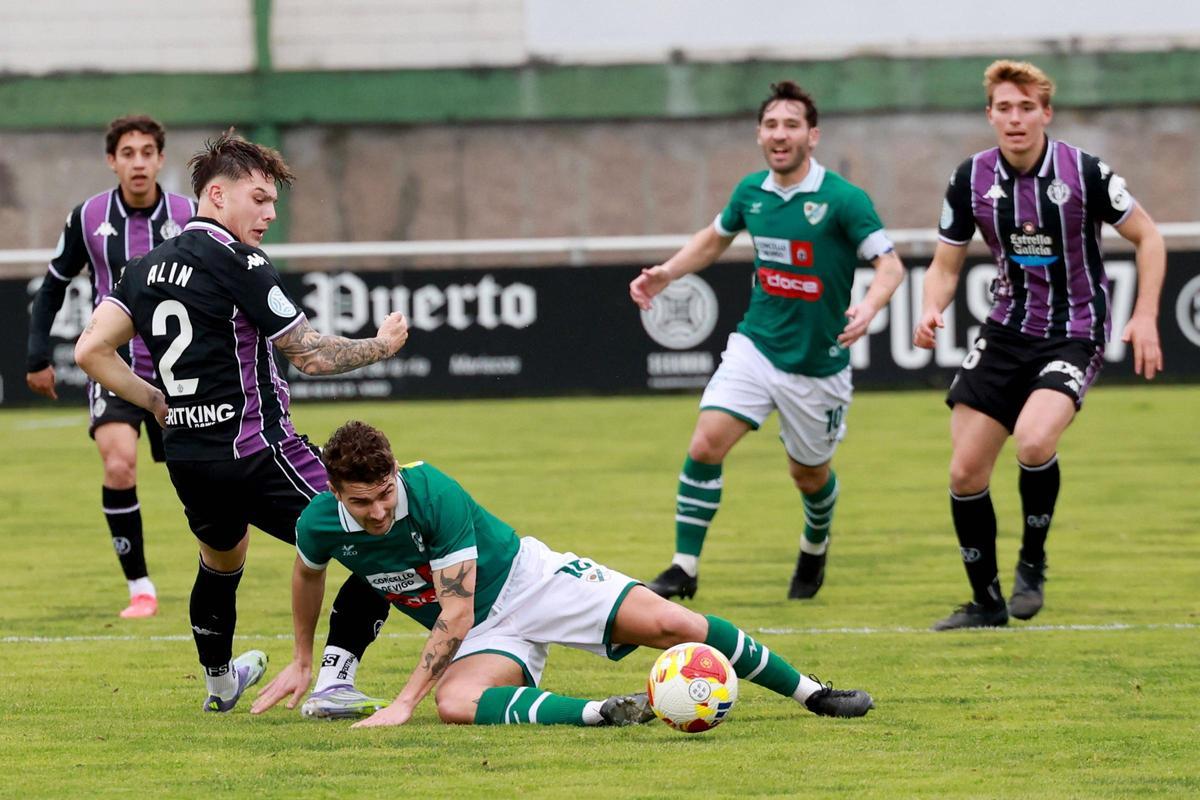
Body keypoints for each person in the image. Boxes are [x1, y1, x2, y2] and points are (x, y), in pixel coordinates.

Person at [74, 131, 410, 714]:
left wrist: (156, 402)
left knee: (222, 562)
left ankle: (219, 685)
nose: (270, 214)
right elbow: (308, 353)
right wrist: (381, 346)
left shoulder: (144, 268)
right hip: (260, 452)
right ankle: (333, 679)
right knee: (385, 534)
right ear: (216, 195)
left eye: (273, 202)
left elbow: (90, 351)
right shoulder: (239, 260)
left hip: (189, 459)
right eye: (259, 198)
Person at [250, 420, 874, 727]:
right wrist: (303, 659)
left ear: (395, 475)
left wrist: (400, 703)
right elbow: (308, 578)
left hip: (530, 580)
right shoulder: (317, 523)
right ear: (335, 494)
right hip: (482, 635)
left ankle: (811, 693)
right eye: (363, 502)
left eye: (386, 491)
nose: (380, 509)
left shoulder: (431, 491)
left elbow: (456, 609)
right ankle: (604, 712)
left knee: (672, 621)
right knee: (457, 702)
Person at [914, 60, 1165, 630]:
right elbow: (945, 266)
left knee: (1032, 441)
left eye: (1027, 107)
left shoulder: (1085, 172)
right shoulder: (970, 179)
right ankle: (987, 603)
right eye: (1004, 108)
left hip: (1074, 329)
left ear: (1045, 113)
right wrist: (932, 305)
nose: (1016, 118)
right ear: (991, 116)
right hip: (1005, 331)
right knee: (964, 473)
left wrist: (1145, 315)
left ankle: (1033, 563)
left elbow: (1148, 236)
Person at [629, 81, 905, 601]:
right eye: (772, 125)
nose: (780, 135)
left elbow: (889, 265)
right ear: (760, 134)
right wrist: (666, 273)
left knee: (808, 475)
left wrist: (869, 306)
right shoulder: (751, 192)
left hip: (818, 367)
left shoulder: (843, 200)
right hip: (755, 346)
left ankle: (815, 543)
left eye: (791, 125)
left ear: (812, 135)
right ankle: (682, 568)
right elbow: (715, 238)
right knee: (705, 443)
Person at [25, 115, 196, 619]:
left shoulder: (189, 215)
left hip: (179, 370)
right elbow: (54, 283)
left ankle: (218, 568)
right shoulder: (89, 216)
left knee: (200, 477)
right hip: (113, 368)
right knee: (119, 463)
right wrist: (36, 354)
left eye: (147, 152)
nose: (138, 162)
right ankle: (140, 587)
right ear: (112, 160)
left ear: (161, 159)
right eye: (128, 153)